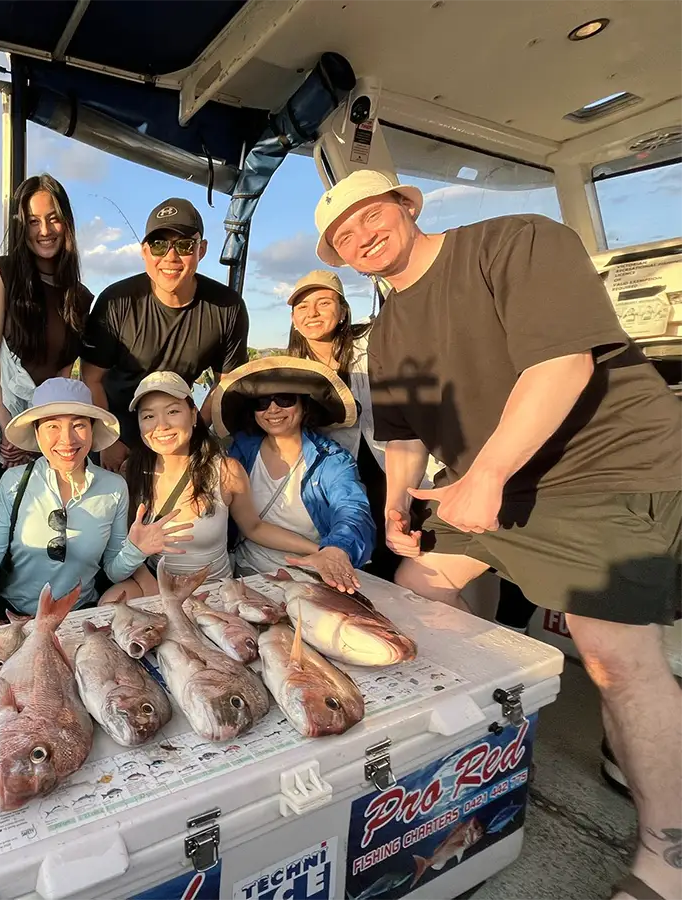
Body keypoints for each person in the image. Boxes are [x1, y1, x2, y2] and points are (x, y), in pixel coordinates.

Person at [318, 168, 682, 900]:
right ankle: (500, 743)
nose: (360, 236)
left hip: (601, 467)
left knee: (613, 656)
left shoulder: (514, 242)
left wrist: (484, 476)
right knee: (420, 589)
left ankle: (666, 856)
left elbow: (562, 362)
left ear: (404, 204)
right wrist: (396, 510)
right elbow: (405, 437)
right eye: (341, 236)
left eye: (368, 215)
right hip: (498, 483)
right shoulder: (386, 331)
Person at [0, 378, 193, 615]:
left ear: (92, 430)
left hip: (81, 616)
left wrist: (136, 549)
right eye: (53, 426)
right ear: (37, 433)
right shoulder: (14, 481)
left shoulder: (114, 487)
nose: (67, 440)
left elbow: (114, 571)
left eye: (79, 425)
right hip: (13, 616)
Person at [99, 371, 359, 601]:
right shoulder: (131, 471)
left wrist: (323, 550)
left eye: (173, 411)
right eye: (149, 416)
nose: (162, 425)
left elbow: (254, 527)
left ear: (193, 416)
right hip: (157, 585)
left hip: (212, 590)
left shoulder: (225, 470)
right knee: (111, 601)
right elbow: (129, 544)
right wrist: (152, 587)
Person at [0, 173, 93, 533]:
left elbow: (64, 372)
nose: (44, 230)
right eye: (33, 221)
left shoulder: (80, 297)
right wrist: (8, 427)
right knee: (2, 532)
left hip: (41, 430)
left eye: (52, 218)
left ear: (66, 223)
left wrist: (36, 435)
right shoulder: (4, 272)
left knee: (41, 530)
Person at [286, 269, 439, 582]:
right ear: (293, 319)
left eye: (323, 303)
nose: (312, 313)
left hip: (397, 463)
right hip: (343, 478)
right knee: (365, 558)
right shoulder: (291, 370)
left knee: (409, 553)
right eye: (302, 307)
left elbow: (403, 313)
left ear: (343, 312)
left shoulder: (374, 345)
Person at [81, 198, 249, 473]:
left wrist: (197, 432)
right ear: (144, 251)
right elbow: (91, 378)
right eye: (159, 245)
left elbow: (225, 384)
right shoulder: (115, 301)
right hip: (118, 427)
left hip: (178, 431)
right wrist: (107, 439)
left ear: (202, 250)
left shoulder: (228, 307)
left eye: (184, 245)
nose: (170, 257)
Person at [210, 355, 375, 590]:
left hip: (312, 574)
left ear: (304, 404)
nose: (273, 408)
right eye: (262, 402)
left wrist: (335, 549)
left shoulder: (332, 460)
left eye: (285, 399)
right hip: (248, 573)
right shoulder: (239, 450)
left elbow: (352, 510)